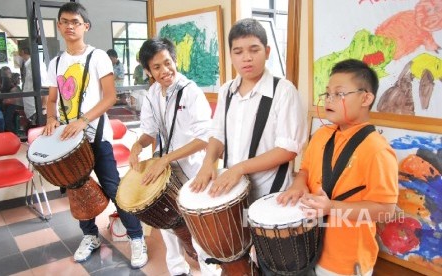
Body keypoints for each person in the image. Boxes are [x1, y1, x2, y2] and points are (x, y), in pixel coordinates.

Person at [43, 2, 147, 268]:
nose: (69, 26)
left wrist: (83, 121)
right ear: (58, 26)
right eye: (64, 21)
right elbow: (52, 98)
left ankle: (136, 237)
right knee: (78, 190)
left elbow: (110, 96)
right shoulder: (55, 62)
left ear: (85, 26)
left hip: (96, 134)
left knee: (113, 187)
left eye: (75, 22)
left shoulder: (97, 56)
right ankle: (90, 236)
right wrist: (51, 118)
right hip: (68, 141)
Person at [277, 59, 399, 276]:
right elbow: (304, 171)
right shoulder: (321, 135)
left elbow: (385, 212)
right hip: (309, 246)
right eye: (327, 93)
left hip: (346, 261)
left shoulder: (377, 150)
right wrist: (298, 184)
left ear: (366, 98)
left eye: (339, 93)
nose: (329, 99)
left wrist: (331, 207)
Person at [190, 18, 307, 203]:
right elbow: (218, 134)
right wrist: (207, 162)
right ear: (230, 55)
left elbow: (288, 149)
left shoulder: (284, 90)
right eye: (238, 52)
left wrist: (240, 168)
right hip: (232, 191)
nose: (247, 58)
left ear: (267, 52)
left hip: (271, 194)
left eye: (254, 50)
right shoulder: (226, 90)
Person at [129, 37, 219, 276]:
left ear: (175, 60)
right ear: (148, 71)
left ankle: (210, 273)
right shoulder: (152, 94)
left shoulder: (191, 92)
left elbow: (205, 138)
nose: (165, 71)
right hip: (167, 170)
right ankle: (178, 270)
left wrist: (165, 159)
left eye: (168, 63)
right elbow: (148, 131)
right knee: (168, 224)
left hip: (193, 170)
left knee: (199, 230)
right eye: (157, 67)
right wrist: (137, 145)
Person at [17, 39, 49, 125]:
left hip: (37, 110)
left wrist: (43, 108)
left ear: (22, 51)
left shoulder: (35, 64)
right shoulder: (28, 64)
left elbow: (46, 86)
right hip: (32, 110)